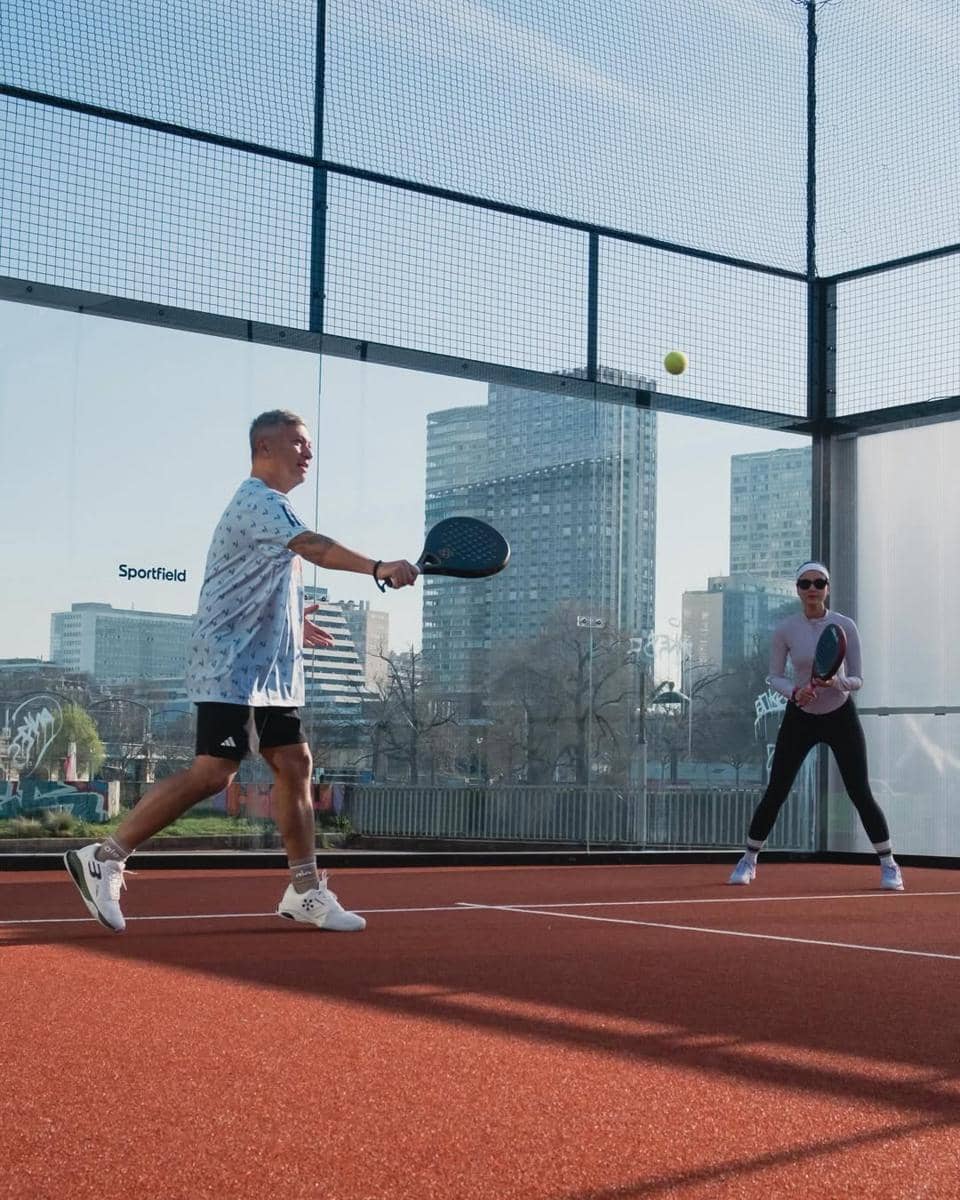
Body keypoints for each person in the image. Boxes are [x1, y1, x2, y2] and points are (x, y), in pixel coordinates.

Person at [65, 409, 418, 932]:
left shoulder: (276, 511)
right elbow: (315, 547)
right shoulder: (259, 502)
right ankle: (105, 856)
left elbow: (253, 579)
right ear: (265, 449)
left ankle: (305, 891)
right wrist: (378, 567)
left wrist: (295, 622)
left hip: (268, 671)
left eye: (310, 445)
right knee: (214, 772)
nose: (309, 453)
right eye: (298, 443)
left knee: (295, 763)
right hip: (229, 666)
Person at [728, 561, 903, 891]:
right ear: (797, 589)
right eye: (805, 583)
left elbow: (858, 678)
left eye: (819, 582)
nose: (812, 589)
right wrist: (795, 692)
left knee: (859, 792)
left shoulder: (844, 626)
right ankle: (749, 859)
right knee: (777, 790)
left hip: (840, 715)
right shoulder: (785, 630)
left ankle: (889, 864)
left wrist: (840, 683)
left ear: (828, 588)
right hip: (800, 715)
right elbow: (774, 676)